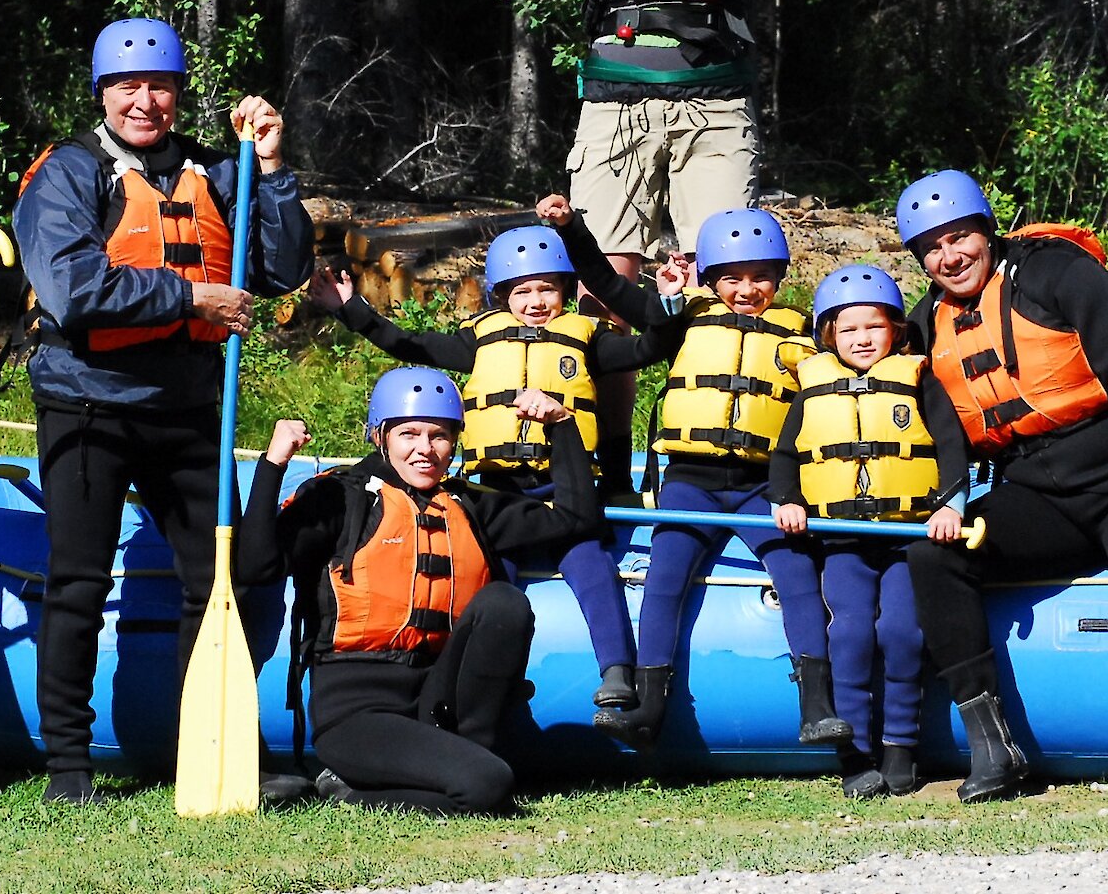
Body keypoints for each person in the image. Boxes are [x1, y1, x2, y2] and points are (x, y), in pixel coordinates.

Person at [453, 0, 913, 499]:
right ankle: (606, 469)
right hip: (616, 107)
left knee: (719, 287)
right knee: (604, 286)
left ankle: (703, 467)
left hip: (715, 109)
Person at [12, 17, 315, 805]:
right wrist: (190, 294)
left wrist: (273, 168)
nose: (144, 100)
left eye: (159, 85)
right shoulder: (69, 174)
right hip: (88, 401)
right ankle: (69, 768)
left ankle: (209, 751)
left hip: (186, 403)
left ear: (178, 92)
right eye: (128, 85)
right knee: (78, 580)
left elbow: (280, 270)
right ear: (103, 91)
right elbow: (75, 290)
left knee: (225, 575)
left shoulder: (216, 172)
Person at [896, 170, 1108, 808]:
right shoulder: (927, 323)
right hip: (1038, 491)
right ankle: (992, 745)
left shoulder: (1058, 276)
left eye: (960, 237)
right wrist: (949, 503)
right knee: (932, 556)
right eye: (932, 248)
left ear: (987, 233)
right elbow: (938, 425)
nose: (950, 256)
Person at [305, 222, 677, 718]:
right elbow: (410, 345)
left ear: (566, 290)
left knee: (593, 568)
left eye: (548, 288)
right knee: (488, 581)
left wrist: (669, 305)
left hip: (566, 488)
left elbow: (649, 349)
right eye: (523, 291)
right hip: (500, 494)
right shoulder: (479, 339)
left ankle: (616, 672)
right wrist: (351, 310)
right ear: (501, 295)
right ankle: (490, 679)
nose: (537, 300)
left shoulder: (587, 337)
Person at [239, 368, 603, 815]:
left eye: (440, 436)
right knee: (489, 786)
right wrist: (273, 464)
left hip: (437, 702)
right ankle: (352, 789)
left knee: (504, 602)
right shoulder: (340, 497)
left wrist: (562, 425)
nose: (425, 450)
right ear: (381, 436)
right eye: (409, 433)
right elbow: (256, 566)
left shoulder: (468, 504)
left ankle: (473, 754)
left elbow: (578, 519)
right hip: (357, 714)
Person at [544, 205, 840, 751]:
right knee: (665, 576)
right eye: (732, 278)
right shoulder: (681, 317)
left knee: (797, 572)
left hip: (761, 483)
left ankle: (817, 705)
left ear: (779, 276)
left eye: (760, 277)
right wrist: (571, 229)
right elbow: (606, 280)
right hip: (690, 478)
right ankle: (648, 706)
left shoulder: (802, 336)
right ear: (710, 280)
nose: (747, 289)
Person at [767, 265, 971, 799]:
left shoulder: (918, 378)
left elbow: (950, 446)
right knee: (851, 633)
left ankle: (901, 747)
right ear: (829, 335)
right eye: (848, 329)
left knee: (902, 634)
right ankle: (854, 753)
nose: (861, 339)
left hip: (907, 536)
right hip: (844, 539)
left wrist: (952, 505)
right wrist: (786, 500)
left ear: (896, 332)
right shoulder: (812, 389)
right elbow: (786, 454)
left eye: (874, 327)